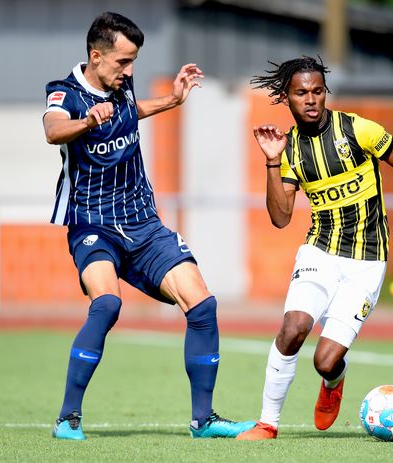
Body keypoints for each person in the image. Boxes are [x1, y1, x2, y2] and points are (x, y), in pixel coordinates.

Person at [43, 11, 255, 440]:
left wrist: (172, 100)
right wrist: (88, 121)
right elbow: (53, 130)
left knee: (202, 305)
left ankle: (203, 421)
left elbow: (130, 112)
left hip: (142, 221)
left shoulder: (122, 84)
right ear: (96, 55)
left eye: (133, 61)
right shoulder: (65, 92)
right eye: (122, 61)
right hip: (92, 222)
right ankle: (68, 419)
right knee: (107, 303)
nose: (129, 70)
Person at [236, 56, 393, 441]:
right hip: (320, 251)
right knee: (294, 328)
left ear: (326, 92)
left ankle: (334, 380)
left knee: (325, 360)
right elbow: (280, 217)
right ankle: (267, 424)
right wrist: (272, 162)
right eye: (301, 93)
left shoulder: (358, 130)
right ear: (286, 98)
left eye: (317, 91)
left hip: (367, 261)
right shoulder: (289, 149)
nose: (311, 99)